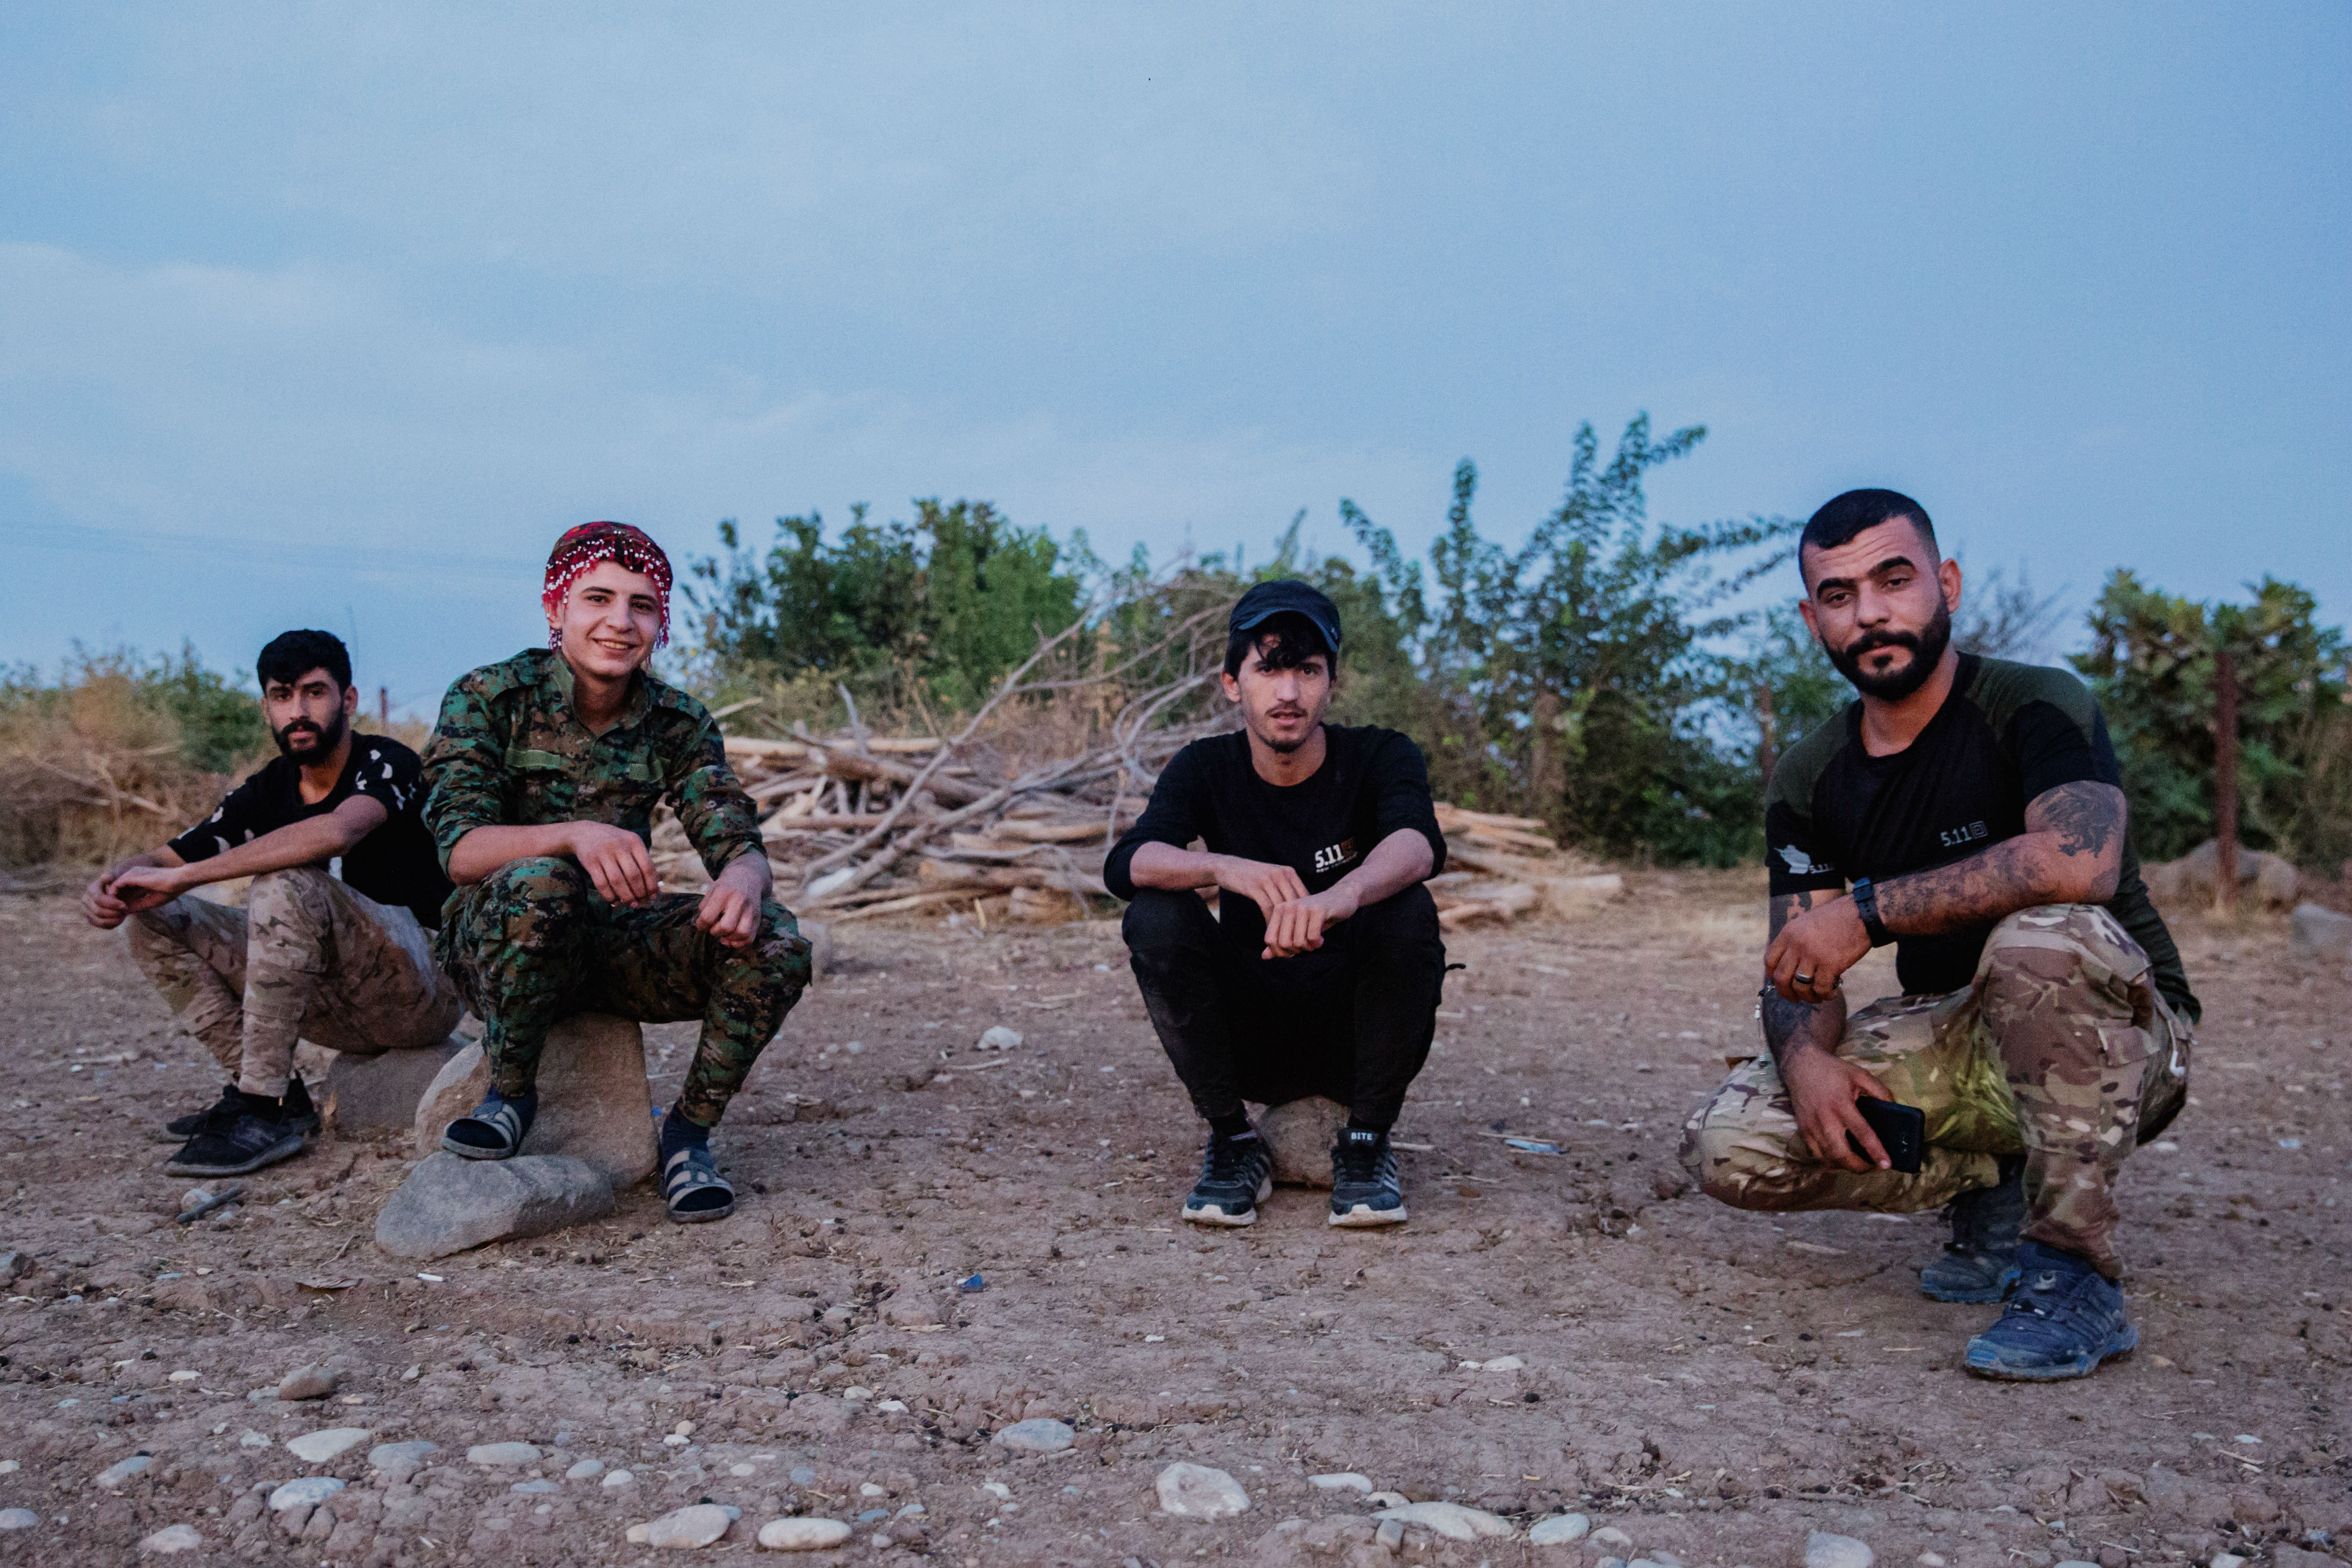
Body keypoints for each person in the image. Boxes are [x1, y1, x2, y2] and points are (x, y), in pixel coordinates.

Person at [1679, 489, 2197, 1382]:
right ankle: (1992, 1181)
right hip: (1957, 1030)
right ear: (1812, 620)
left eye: (1894, 580)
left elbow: (2080, 861)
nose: (1869, 613)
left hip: (2125, 1037)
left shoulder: (2036, 702)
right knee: (1730, 1141)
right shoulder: (1809, 773)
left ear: (1946, 583)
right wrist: (1805, 1062)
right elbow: (1799, 966)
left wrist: (1867, 911)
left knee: (2041, 941)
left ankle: (2074, 1273)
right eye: (1838, 595)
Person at [420, 521, 810, 1223]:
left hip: (609, 944)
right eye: (597, 599)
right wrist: (575, 835)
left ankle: (687, 1137)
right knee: (543, 883)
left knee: (777, 939)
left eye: (642, 605)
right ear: (555, 609)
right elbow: (460, 851)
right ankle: (510, 1095)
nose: (620, 622)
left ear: (660, 624)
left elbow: (735, 836)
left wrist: (743, 882)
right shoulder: (488, 697)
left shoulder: (677, 721)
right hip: (497, 944)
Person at [1105, 580, 1449, 1229]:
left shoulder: (1380, 754)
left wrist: (1341, 896)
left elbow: (1418, 842)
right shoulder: (1205, 766)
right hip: (1251, 1033)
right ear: (1232, 683)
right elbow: (1127, 862)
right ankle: (1234, 1140)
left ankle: (1366, 1142)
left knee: (1407, 908)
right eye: (1268, 669)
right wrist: (1223, 867)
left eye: (1307, 671)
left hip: (1357, 1034)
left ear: (1331, 683)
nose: (1288, 692)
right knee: (1153, 915)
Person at [82, 630, 461, 1177]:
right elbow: (166, 857)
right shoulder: (270, 787)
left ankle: (262, 1108)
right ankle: (277, 1093)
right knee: (153, 915)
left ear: (348, 700)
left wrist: (186, 877)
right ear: (266, 708)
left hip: (421, 990)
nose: (298, 711)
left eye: (314, 692)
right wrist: (114, 881)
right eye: (283, 696)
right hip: (334, 1001)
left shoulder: (388, 762)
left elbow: (336, 831)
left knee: (285, 882)